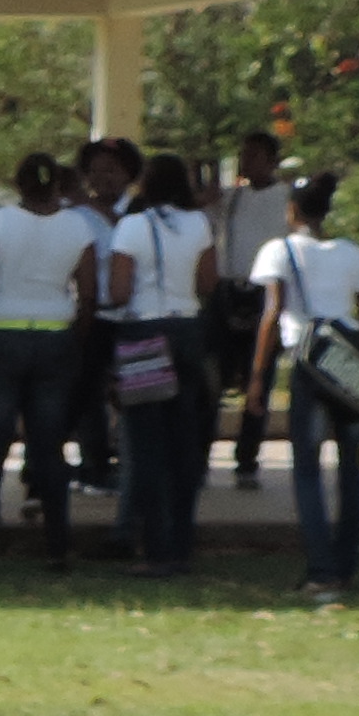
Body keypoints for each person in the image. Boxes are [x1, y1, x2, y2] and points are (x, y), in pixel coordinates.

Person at [0, 151, 101, 571]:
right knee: (49, 449)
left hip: (0, 337)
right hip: (55, 337)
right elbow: (89, 293)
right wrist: (76, 336)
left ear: (17, 184)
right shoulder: (78, 226)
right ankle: (57, 548)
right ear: (58, 184)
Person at [246, 169, 359, 601]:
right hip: (348, 363)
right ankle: (346, 565)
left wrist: (256, 377)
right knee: (352, 467)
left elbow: (273, 314)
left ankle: (321, 569)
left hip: (308, 363)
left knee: (307, 469)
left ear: (292, 210)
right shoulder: (352, 253)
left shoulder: (279, 250)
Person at [103, 151, 216, 579]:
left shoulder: (132, 226)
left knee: (145, 445)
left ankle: (155, 550)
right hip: (187, 330)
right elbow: (208, 283)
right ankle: (182, 547)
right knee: (184, 445)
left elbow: (118, 291)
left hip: (143, 334)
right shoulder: (199, 223)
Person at [208, 131, 291, 487]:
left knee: (260, 376)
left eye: (255, 156)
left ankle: (247, 454)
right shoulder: (232, 197)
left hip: (265, 291)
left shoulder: (286, 198)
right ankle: (201, 451)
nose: (247, 162)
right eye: (244, 155)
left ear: (272, 161)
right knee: (215, 377)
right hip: (230, 289)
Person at [66, 135, 138, 494]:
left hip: (135, 318)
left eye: (111, 170)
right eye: (94, 171)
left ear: (128, 174)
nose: (103, 178)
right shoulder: (75, 216)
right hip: (93, 316)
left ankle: (132, 463)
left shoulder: (140, 213)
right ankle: (94, 465)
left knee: (134, 394)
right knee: (88, 393)